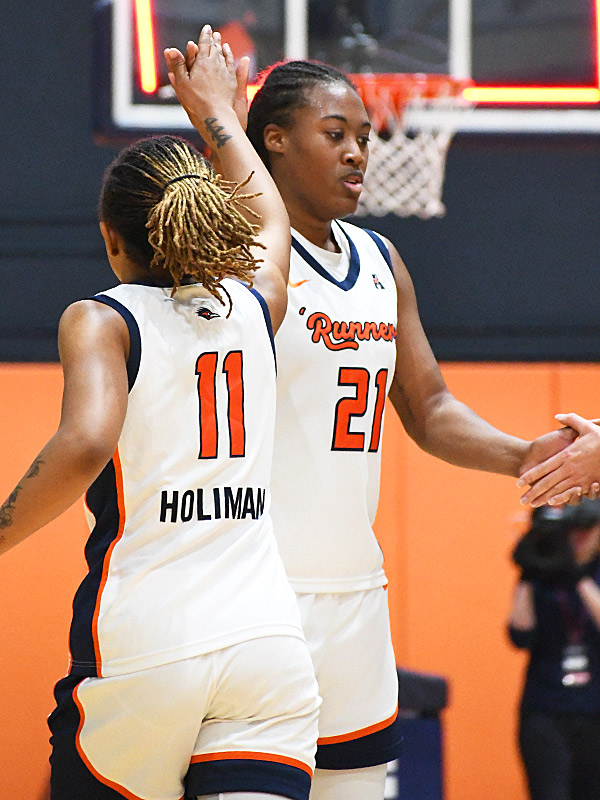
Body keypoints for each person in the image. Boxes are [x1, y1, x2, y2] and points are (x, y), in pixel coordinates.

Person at [219, 58, 577, 800]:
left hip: (356, 597)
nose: (358, 151)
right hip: (259, 593)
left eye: (365, 136)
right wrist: (218, 122)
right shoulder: (242, 257)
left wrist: (524, 455)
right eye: (335, 133)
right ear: (274, 141)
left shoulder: (382, 261)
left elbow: (429, 407)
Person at [0, 28, 321, 800]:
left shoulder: (103, 318)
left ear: (113, 240)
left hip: (147, 647)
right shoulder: (253, 307)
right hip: (267, 648)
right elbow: (272, 226)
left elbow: (84, 444)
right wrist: (219, 113)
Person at [508, 500, 600, 800]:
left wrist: (578, 577)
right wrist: (527, 572)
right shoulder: (543, 569)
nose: (577, 540)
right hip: (545, 711)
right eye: (571, 532)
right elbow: (519, 634)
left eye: (586, 532)